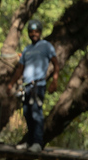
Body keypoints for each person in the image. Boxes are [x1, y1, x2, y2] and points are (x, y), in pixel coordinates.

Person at [7, 19, 59, 153]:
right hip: (26, 86)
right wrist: (11, 83)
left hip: (39, 84)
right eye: (31, 32)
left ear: (40, 32)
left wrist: (54, 80)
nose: (34, 34)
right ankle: (29, 142)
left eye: (36, 31)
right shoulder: (27, 49)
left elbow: (56, 63)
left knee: (36, 113)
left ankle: (37, 143)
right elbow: (20, 68)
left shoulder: (46, 46)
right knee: (27, 113)